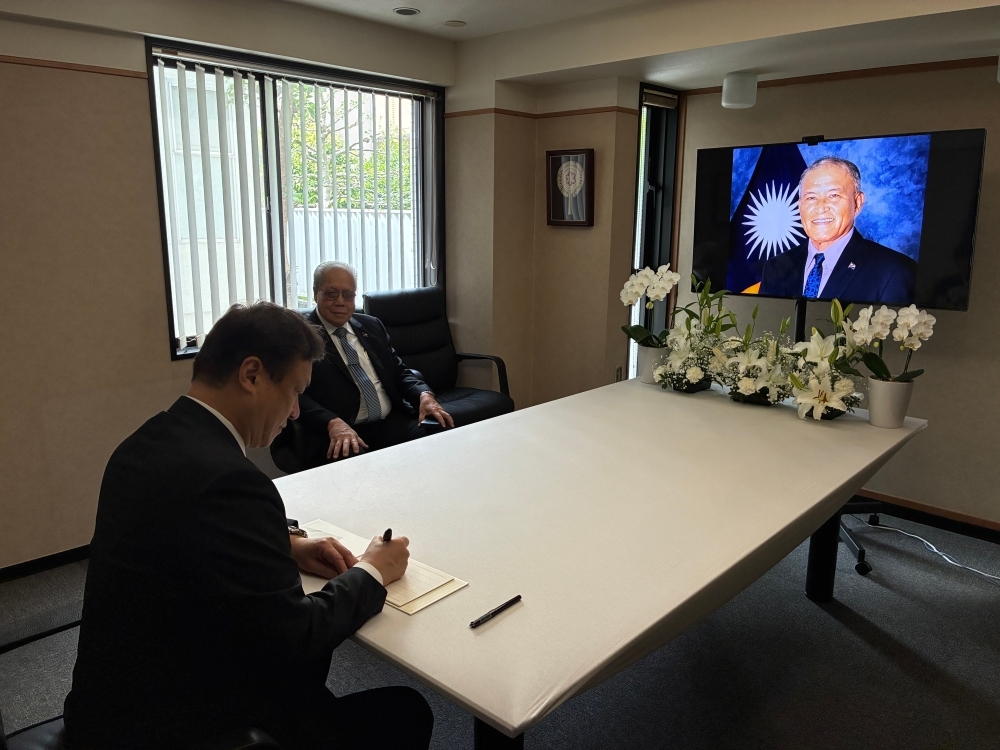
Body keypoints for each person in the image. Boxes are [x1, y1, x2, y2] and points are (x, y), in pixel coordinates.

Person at [64, 303, 433, 750]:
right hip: (186, 729)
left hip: (105, 708)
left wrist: (287, 544)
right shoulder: (232, 480)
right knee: (406, 711)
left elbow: (181, 534)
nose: (296, 412)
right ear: (252, 375)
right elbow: (301, 638)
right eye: (295, 391)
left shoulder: (142, 444)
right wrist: (373, 569)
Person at [297, 262, 454, 465]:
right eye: (331, 294)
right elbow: (295, 395)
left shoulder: (372, 326)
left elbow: (399, 371)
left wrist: (425, 395)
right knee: (357, 466)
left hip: (390, 422)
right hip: (339, 429)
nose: (340, 302)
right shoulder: (300, 336)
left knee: (442, 432)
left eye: (348, 295)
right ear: (315, 293)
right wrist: (331, 422)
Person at [759, 156, 917, 305]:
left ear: (858, 203)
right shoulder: (775, 268)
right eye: (811, 198)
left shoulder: (894, 271)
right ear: (800, 205)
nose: (820, 207)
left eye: (833, 195)